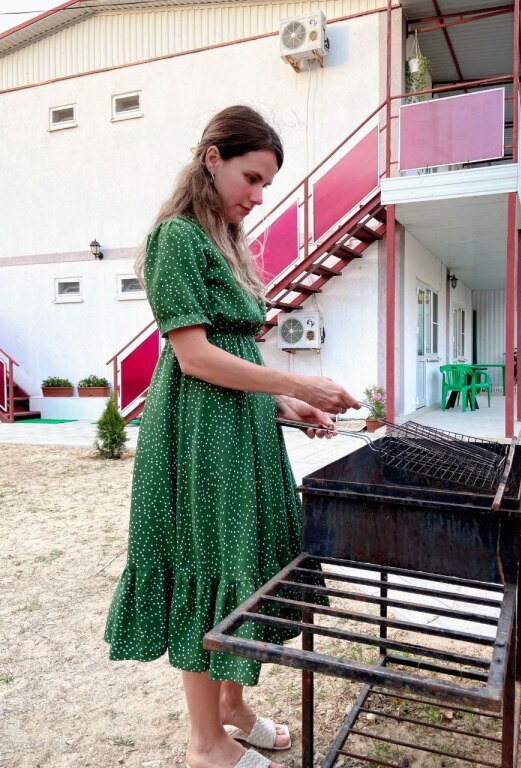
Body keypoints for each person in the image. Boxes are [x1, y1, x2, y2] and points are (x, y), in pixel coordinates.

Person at [104, 105, 360, 768]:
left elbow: (232, 351)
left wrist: (283, 403)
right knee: (210, 564)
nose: (258, 194)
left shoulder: (225, 240)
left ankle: (232, 709)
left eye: (268, 184)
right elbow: (194, 356)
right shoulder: (178, 237)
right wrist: (302, 385)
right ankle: (205, 744)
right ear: (212, 157)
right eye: (252, 177)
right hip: (198, 440)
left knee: (242, 567)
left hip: (240, 432)